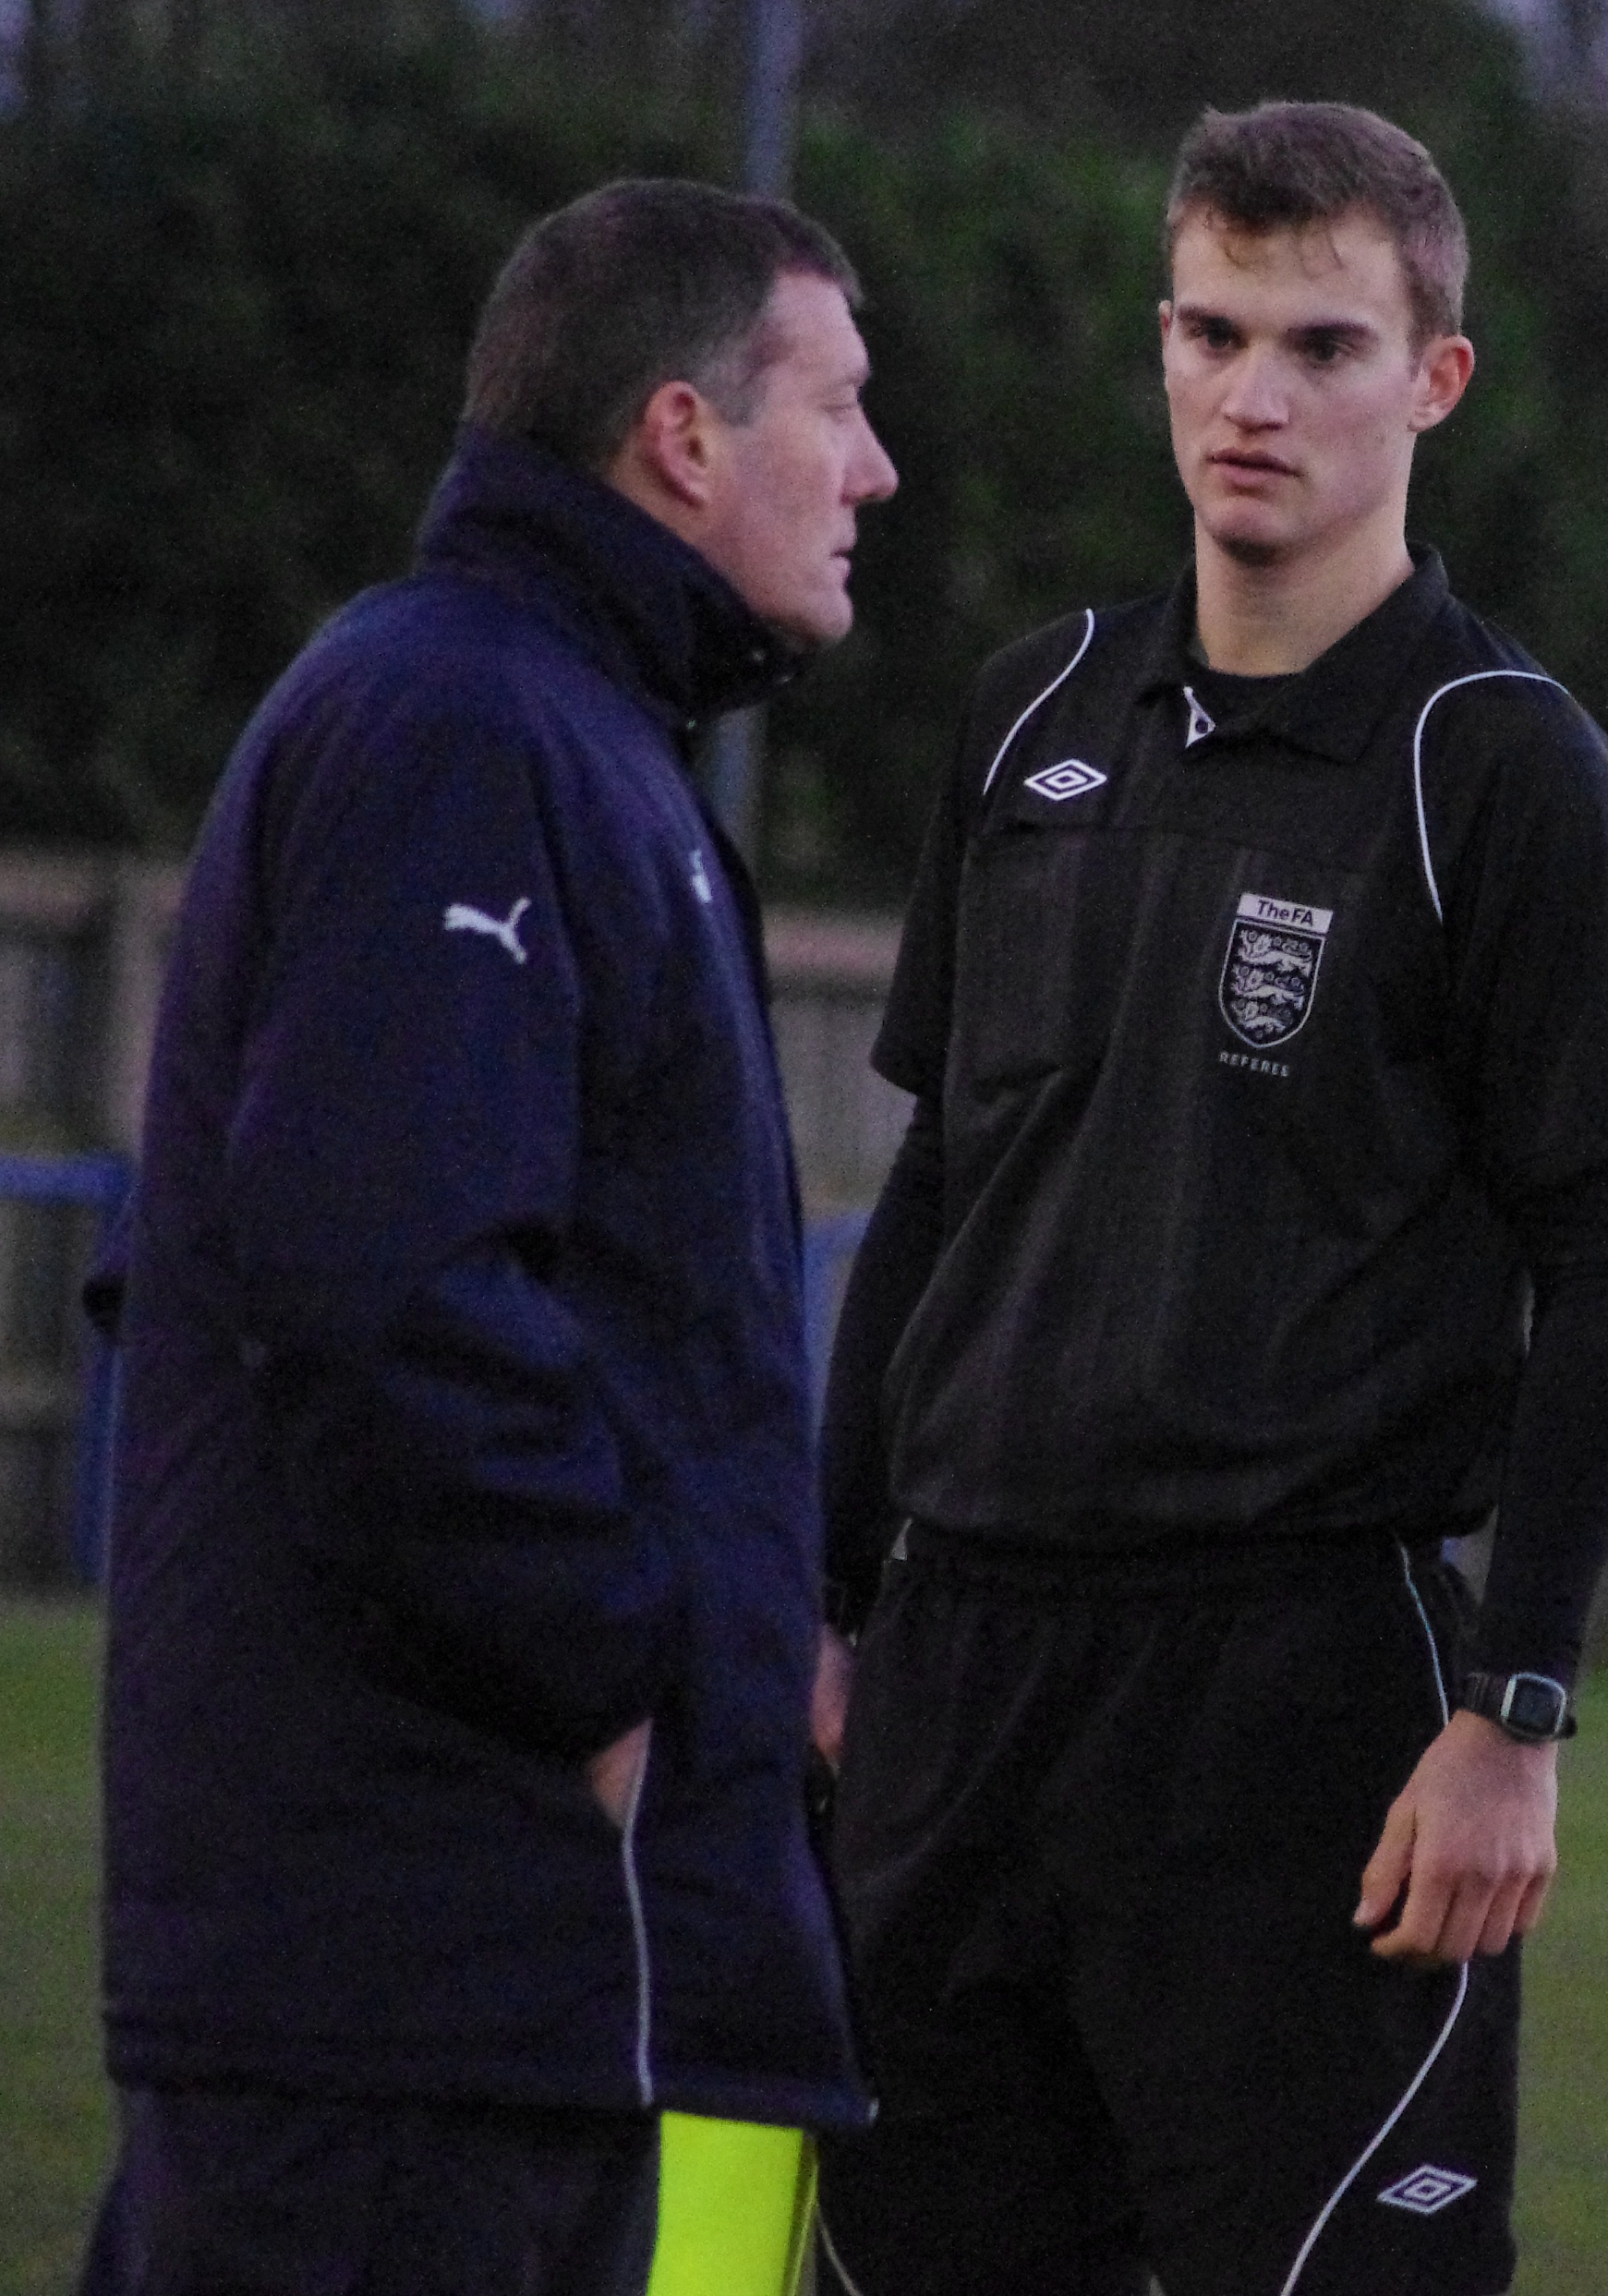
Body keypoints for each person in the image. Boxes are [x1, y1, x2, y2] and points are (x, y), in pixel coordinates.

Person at [808, 102, 1608, 2296]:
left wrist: (1521, 1707)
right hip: (960, 1674)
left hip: (1297, 1690)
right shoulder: (1031, 719)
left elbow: (1599, 1268)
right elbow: (933, 1193)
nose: (1252, 396)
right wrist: (828, 1607)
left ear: (1435, 380)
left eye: (1319, 343)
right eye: (1212, 331)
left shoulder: (1498, 764)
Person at [83, 179, 897, 2294]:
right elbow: (387, 1293)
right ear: (683, 437)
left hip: (488, 1994)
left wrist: (742, 1658)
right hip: (400, 1983)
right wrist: (625, 1687)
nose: (880, 470)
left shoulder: (577, 737)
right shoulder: (464, 727)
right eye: (841, 403)